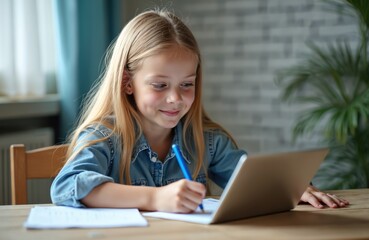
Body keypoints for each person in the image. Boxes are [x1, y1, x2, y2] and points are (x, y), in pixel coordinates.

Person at [50, 9, 349, 213]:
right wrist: (155, 198)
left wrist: (293, 188)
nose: (175, 99)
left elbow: (249, 181)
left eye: (186, 84)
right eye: (159, 85)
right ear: (127, 83)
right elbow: (66, 187)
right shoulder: (105, 137)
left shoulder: (207, 140)